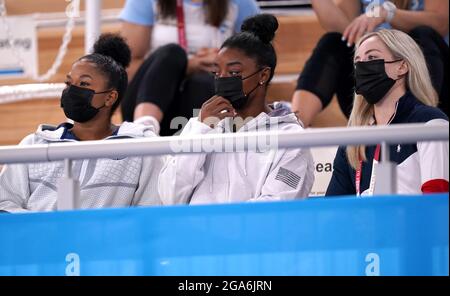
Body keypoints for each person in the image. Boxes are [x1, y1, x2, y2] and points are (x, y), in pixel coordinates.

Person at [158, 14, 315, 205]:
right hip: (196, 233)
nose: (222, 79)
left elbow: (276, 208)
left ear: (263, 75)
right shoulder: (201, 127)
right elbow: (170, 197)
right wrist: (200, 131)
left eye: (234, 73)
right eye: (217, 73)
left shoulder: (291, 137)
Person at [0, 34, 164, 213]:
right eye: (69, 82)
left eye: (84, 83)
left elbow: (150, 210)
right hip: (40, 239)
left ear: (110, 97)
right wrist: (45, 230)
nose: (72, 90)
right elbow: (4, 203)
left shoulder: (141, 147)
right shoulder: (34, 145)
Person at [326, 29, 449, 197]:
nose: (362, 66)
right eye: (358, 61)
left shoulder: (429, 123)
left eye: (372, 58)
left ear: (402, 66)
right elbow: (334, 211)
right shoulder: (353, 138)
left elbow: (437, 202)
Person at [292, 0, 449, 127]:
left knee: (423, 33)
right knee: (334, 41)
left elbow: (440, 23)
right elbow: (346, 30)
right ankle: (294, 126)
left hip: (430, 85)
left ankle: (421, 117)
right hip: (373, 87)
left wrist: (387, 14)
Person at [119, 0, 260, 136]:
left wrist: (223, 60)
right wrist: (186, 66)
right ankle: (143, 130)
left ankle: (198, 143)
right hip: (148, 97)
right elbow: (129, 67)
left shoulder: (241, 3)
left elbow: (257, 65)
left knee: (201, 82)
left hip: (202, 99)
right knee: (172, 53)